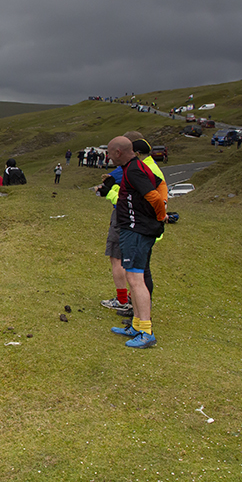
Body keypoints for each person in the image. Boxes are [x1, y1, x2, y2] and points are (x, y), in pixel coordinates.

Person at [105, 135, 167, 349]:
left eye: (109, 153)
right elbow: (160, 185)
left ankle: (146, 332)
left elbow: (155, 196)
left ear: (118, 153)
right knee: (134, 277)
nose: (108, 157)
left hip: (137, 230)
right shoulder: (137, 166)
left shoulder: (133, 170)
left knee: (136, 279)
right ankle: (137, 324)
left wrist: (160, 217)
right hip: (135, 229)